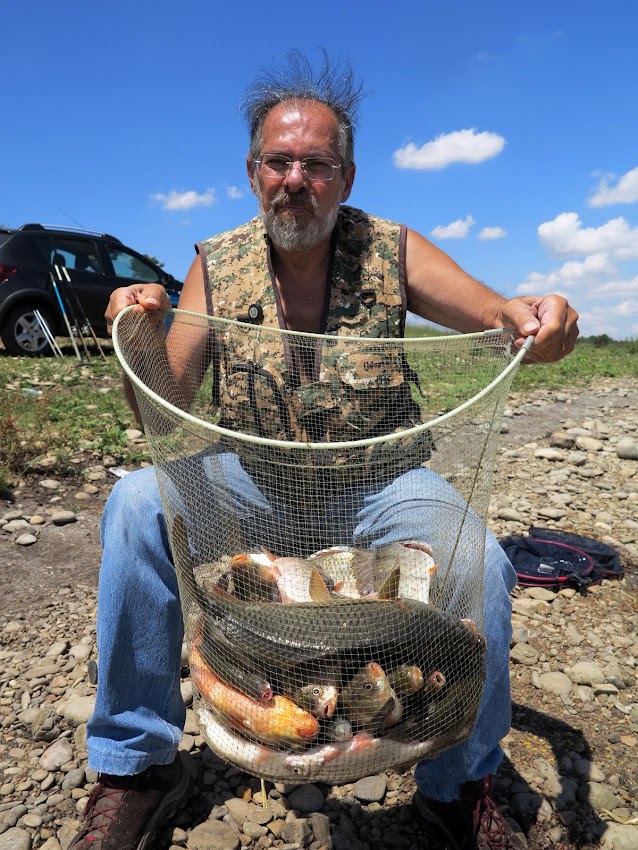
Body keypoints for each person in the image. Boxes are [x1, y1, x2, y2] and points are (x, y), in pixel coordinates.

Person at [69, 52, 579, 850]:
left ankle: (459, 785)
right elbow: (166, 411)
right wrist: (138, 331)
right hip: (254, 480)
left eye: (316, 164)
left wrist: (545, 322)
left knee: (481, 561)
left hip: (383, 483)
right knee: (135, 503)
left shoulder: (392, 248)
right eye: (279, 162)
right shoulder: (219, 263)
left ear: (345, 175)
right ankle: (137, 765)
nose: (295, 180)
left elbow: (501, 317)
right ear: (252, 172)